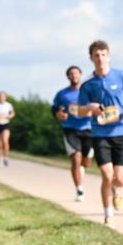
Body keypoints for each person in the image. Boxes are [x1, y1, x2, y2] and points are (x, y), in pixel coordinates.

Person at [78, 40, 123, 225]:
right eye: (96, 55)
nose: (100, 58)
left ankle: (118, 191)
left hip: (121, 131)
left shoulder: (121, 75)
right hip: (100, 134)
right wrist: (91, 107)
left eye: (103, 54)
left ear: (109, 56)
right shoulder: (88, 85)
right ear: (91, 58)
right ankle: (108, 214)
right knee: (107, 175)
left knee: (119, 180)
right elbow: (79, 110)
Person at [52, 65, 94, 202]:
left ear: (80, 75)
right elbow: (55, 109)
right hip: (70, 129)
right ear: (68, 76)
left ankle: (82, 167)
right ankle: (79, 189)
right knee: (76, 158)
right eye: (71, 73)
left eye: (76, 73)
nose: (74, 75)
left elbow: (98, 106)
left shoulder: (89, 91)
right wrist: (59, 114)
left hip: (88, 128)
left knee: (86, 162)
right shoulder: (62, 94)